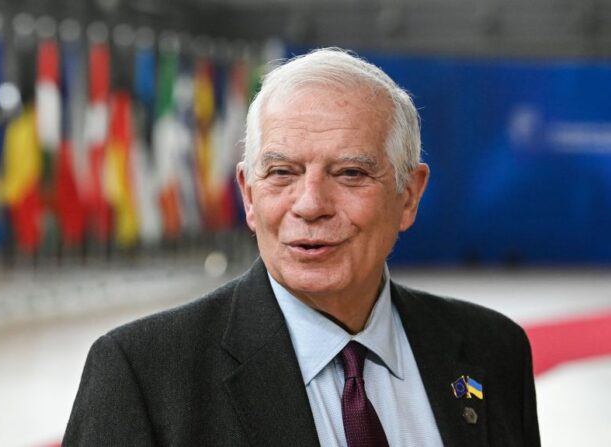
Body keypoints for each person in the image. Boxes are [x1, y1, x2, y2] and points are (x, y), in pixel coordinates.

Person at [62, 48, 540, 447]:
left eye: (350, 173)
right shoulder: (143, 376)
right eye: (282, 174)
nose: (310, 205)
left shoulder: (493, 352)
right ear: (249, 195)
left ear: (409, 196)